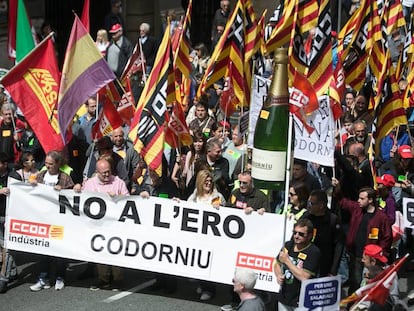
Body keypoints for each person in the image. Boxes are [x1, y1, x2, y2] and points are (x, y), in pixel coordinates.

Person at [29, 150, 77, 291]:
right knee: (44, 250)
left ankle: (60, 277)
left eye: (50, 164)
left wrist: (65, 190)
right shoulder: (40, 176)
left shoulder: (65, 178)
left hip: (59, 221)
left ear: (58, 164)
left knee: (59, 251)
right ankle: (43, 278)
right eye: (46, 163)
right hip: (43, 219)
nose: (47, 166)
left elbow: (73, 195)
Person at [335, 184, 392, 294]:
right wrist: (337, 189)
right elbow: (343, 202)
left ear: (370, 200)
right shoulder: (357, 209)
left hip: (371, 259)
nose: (358, 201)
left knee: (369, 283)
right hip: (355, 254)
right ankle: (352, 305)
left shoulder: (381, 217)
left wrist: (379, 255)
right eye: (359, 198)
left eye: (362, 198)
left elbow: (387, 238)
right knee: (355, 282)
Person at [83, 158, 129, 290]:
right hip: (98, 226)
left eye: (108, 172)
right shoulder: (90, 184)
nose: (107, 175)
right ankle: (103, 280)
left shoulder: (118, 182)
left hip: (115, 226)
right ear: (97, 172)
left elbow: (128, 200)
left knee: (115, 252)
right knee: (100, 252)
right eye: (103, 173)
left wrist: (118, 197)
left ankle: (118, 281)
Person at [187, 169, 225, 301]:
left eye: (210, 181)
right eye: (205, 181)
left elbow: (224, 214)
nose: (208, 184)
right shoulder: (194, 197)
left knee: (208, 262)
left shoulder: (217, 197)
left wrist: (220, 209)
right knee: (198, 261)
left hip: (211, 237)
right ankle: (201, 284)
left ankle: (209, 289)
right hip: (197, 237)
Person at [274, 218, 321, 310]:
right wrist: (278, 275)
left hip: (301, 301)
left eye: (301, 234)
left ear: (309, 235)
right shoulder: (288, 245)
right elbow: (277, 264)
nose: (296, 236)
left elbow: (304, 277)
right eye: (294, 232)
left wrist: (287, 261)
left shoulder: (313, 252)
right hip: (284, 297)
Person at [303, 189, 344, 277]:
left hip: (324, 263)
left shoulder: (332, 220)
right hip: (307, 261)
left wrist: (333, 270)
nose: (309, 206)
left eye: (312, 203)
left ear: (321, 205)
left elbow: (338, 246)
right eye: (308, 203)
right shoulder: (306, 217)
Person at [0, 152, 22, 293]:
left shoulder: (14, 176)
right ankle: (13, 271)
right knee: (2, 245)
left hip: (9, 216)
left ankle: (4, 278)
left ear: (4, 164)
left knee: (9, 246)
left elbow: (23, 194)